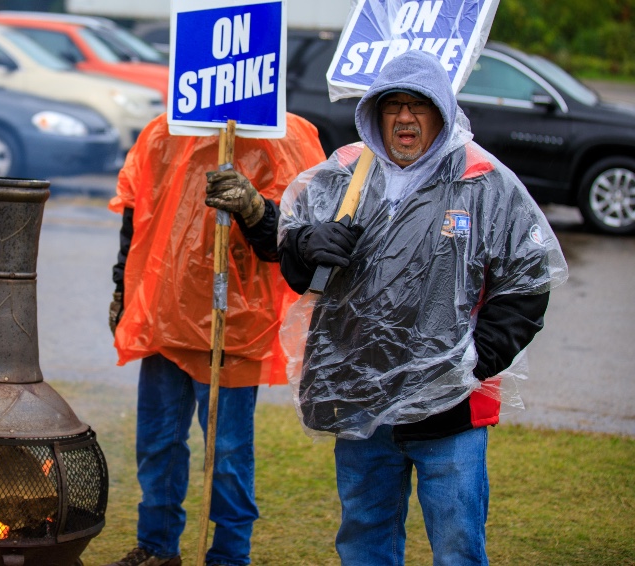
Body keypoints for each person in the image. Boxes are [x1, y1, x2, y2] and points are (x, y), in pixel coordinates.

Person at [276, 50, 568, 564]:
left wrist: (472, 360)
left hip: (450, 412)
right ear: (374, 113)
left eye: (420, 105)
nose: (405, 118)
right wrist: (307, 245)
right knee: (365, 540)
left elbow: (528, 280)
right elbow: (295, 260)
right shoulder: (345, 173)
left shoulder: (482, 179)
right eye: (393, 106)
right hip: (360, 398)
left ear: (443, 112)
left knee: (457, 546)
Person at [106, 112, 326, 566]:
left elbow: (295, 240)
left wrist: (254, 209)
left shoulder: (282, 136)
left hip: (236, 323)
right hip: (167, 314)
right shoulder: (164, 132)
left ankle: (229, 555)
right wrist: (123, 290)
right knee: (158, 443)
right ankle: (157, 547)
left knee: (227, 453)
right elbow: (137, 212)